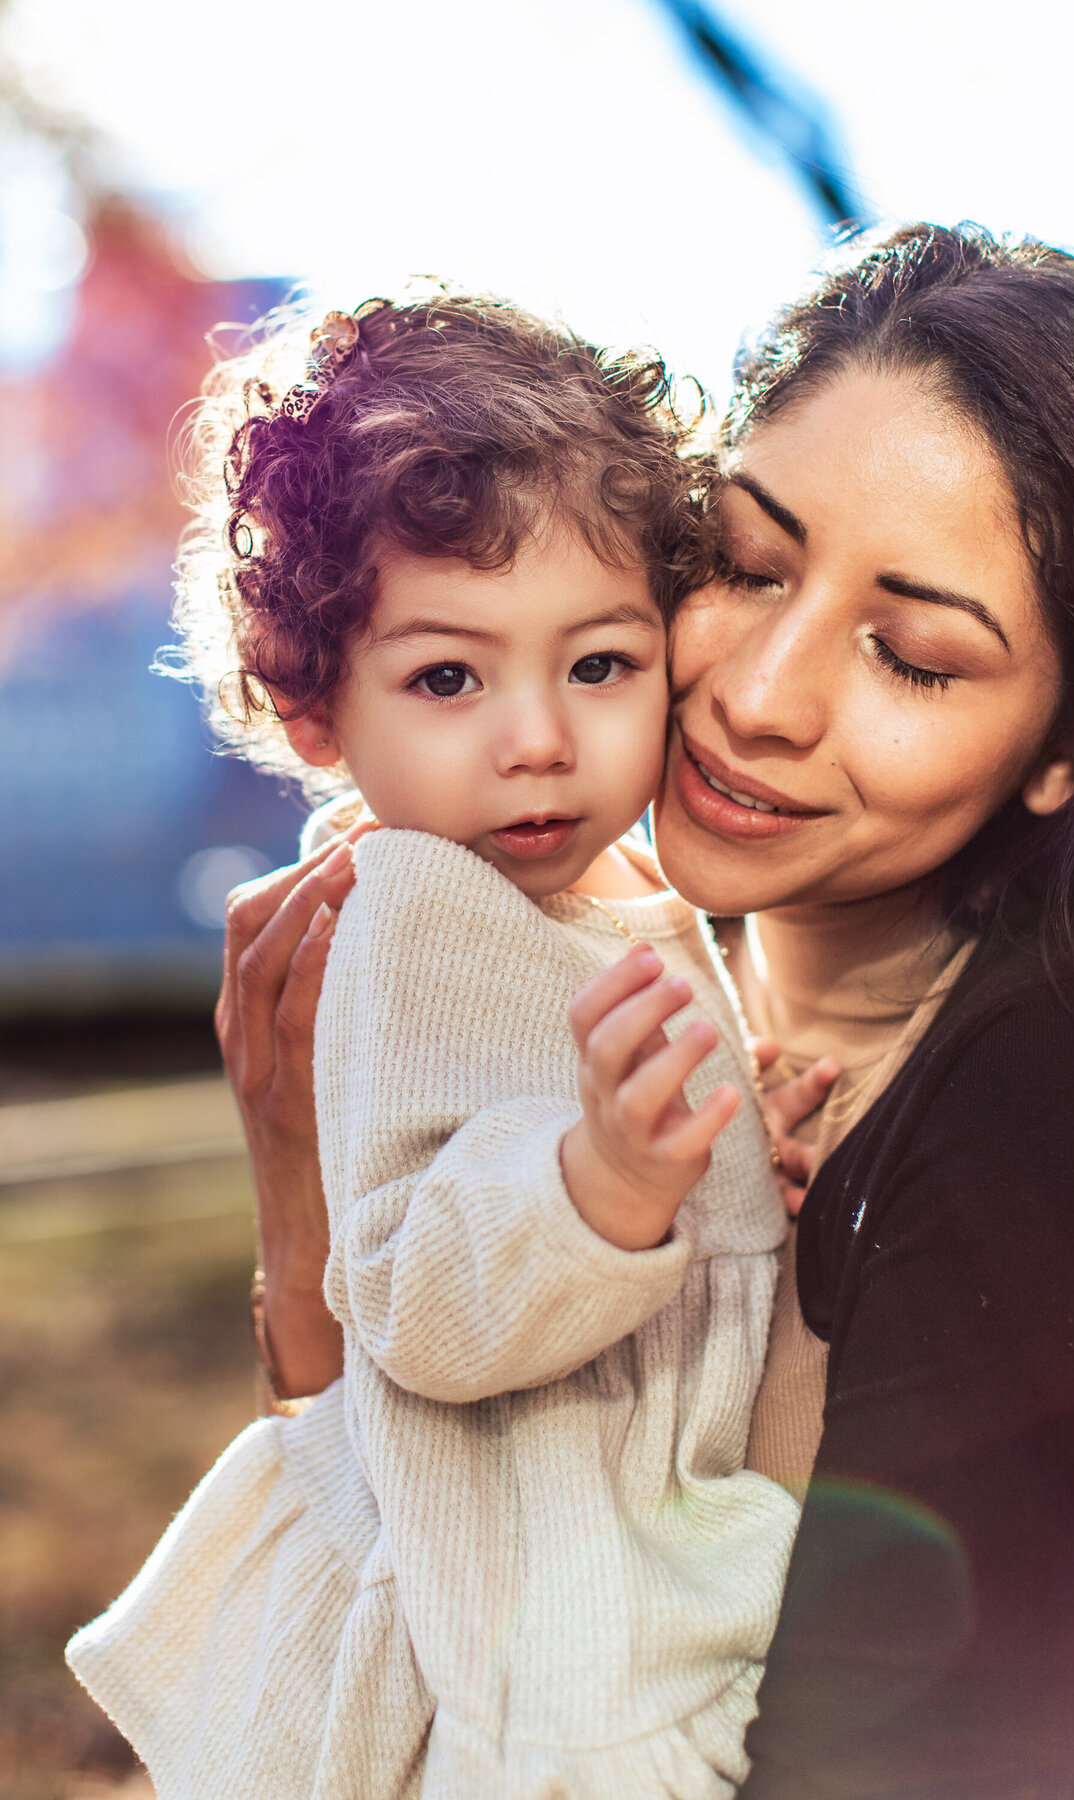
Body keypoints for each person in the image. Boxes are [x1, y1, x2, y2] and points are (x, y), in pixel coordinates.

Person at [225, 228, 1074, 1797]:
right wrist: (307, 1219)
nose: (757, 694)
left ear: (1067, 746)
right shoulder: (612, 1001)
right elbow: (417, 1560)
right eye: (747, 565)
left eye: (914, 657)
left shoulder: (1046, 1118)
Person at [67, 293, 839, 1800]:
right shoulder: (416, 907)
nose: (537, 738)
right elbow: (414, 1294)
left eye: (599, 665)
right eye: (446, 679)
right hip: (560, 1623)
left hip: (649, 1545)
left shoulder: (617, 887)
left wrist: (736, 1139)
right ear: (309, 706)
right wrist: (602, 1184)